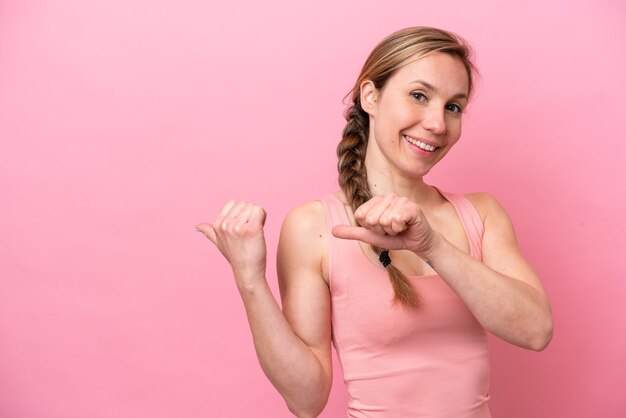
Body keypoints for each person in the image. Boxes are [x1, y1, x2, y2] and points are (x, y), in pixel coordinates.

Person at [195, 26, 553, 418]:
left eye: (453, 106)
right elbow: (306, 399)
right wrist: (249, 280)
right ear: (371, 96)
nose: (437, 123)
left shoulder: (481, 214)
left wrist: (432, 245)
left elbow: (535, 331)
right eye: (419, 96)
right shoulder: (313, 227)